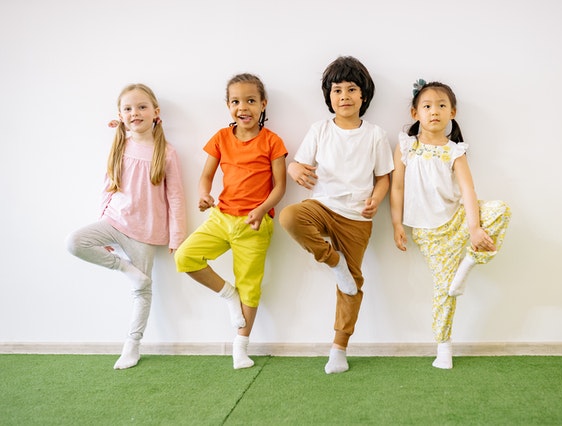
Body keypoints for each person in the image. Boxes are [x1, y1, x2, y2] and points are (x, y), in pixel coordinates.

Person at [279, 56, 394, 374]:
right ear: (328, 97)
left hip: (357, 217)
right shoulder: (319, 130)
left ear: (364, 96)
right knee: (290, 217)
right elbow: (296, 164)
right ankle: (333, 261)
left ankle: (338, 349)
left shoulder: (375, 135)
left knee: (352, 284)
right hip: (323, 207)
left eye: (351, 89)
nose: (344, 96)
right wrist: (294, 169)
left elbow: (384, 177)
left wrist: (376, 198)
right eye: (337, 90)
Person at [390, 80, 511, 369]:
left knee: (501, 210)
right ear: (415, 112)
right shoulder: (407, 146)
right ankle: (444, 348)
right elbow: (396, 189)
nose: (435, 112)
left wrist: (474, 228)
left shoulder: (455, 151)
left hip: (457, 221)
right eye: (428, 106)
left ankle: (470, 260)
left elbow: (469, 191)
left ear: (452, 112)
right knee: (444, 289)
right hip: (428, 232)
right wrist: (397, 224)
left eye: (442, 106)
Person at [66, 83, 187, 370]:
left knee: (142, 291)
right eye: (128, 109)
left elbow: (176, 197)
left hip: (146, 233)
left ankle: (132, 346)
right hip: (114, 221)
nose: (136, 113)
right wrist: (102, 220)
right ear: (120, 115)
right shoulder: (119, 144)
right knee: (74, 242)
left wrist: (177, 235)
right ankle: (125, 269)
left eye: (142, 107)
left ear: (155, 113)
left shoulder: (166, 152)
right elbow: (108, 187)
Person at [174, 73, 287, 369]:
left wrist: (262, 210)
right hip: (221, 218)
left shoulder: (272, 141)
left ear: (263, 104)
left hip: (254, 226)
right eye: (236, 101)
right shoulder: (222, 138)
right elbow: (206, 177)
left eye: (250, 101)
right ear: (228, 106)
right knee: (185, 257)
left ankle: (240, 347)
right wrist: (203, 195)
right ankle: (228, 294)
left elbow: (280, 187)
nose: (243, 107)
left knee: (250, 286)